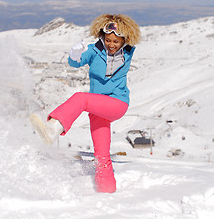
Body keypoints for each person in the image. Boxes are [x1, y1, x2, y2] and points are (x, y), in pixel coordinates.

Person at [30, 14, 141, 193]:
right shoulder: (94, 50)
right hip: (97, 109)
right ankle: (106, 192)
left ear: (123, 41)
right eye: (108, 40)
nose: (111, 44)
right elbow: (75, 63)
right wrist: (74, 55)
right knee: (101, 155)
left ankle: (53, 128)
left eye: (116, 41)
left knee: (81, 98)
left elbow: (132, 36)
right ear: (102, 37)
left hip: (116, 103)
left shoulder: (127, 53)